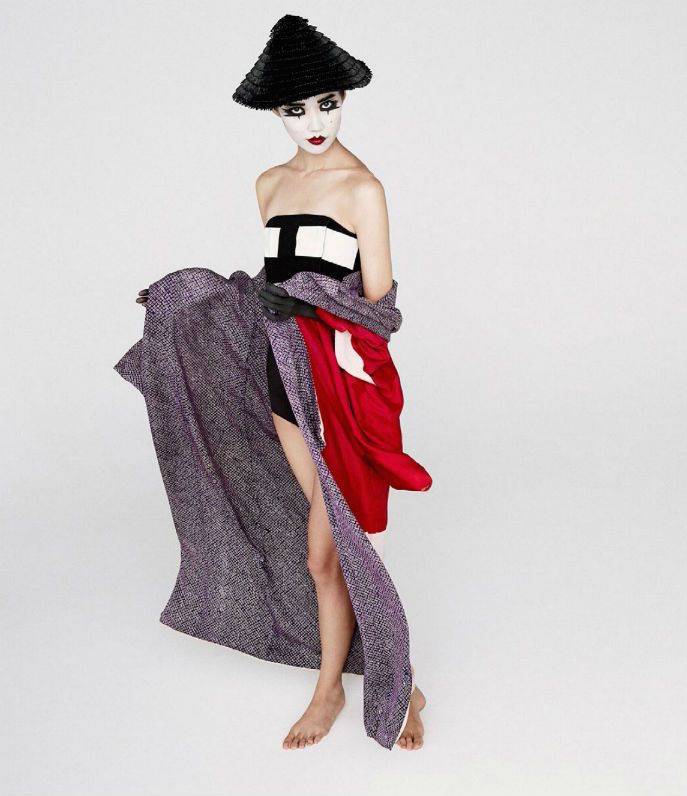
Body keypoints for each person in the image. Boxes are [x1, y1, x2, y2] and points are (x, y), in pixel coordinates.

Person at [133, 13, 427, 751]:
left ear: (344, 100)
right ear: (275, 114)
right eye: (297, 110)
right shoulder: (268, 184)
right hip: (282, 378)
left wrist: (312, 303)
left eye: (327, 104)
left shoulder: (363, 189)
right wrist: (186, 303)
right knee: (323, 550)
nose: (315, 123)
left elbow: (379, 312)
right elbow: (268, 288)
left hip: (340, 384)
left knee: (333, 549)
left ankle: (347, 685)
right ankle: (385, 680)